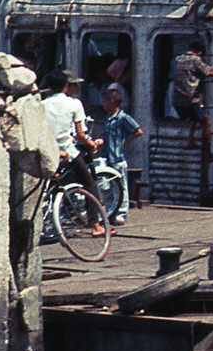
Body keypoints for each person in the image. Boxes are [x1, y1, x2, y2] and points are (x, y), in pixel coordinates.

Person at [42, 69, 108, 237]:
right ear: (66, 86)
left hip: (49, 151)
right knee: (90, 184)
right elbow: (80, 135)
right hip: (68, 151)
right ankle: (95, 225)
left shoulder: (42, 105)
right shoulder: (74, 104)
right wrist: (90, 143)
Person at [170, 38, 213, 155]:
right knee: (206, 122)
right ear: (199, 52)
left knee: (195, 118)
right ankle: (207, 154)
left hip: (177, 101)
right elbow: (211, 72)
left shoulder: (178, 59)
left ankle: (191, 141)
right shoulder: (195, 60)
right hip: (190, 100)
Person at [100, 88, 142, 227]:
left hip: (117, 158)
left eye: (105, 101)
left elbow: (138, 131)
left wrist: (125, 142)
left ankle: (121, 214)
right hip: (107, 157)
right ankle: (110, 212)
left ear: (112, 102)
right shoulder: (108, 118)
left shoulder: (123, 117)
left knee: (122, 187)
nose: (103, 105)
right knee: (108, 188)